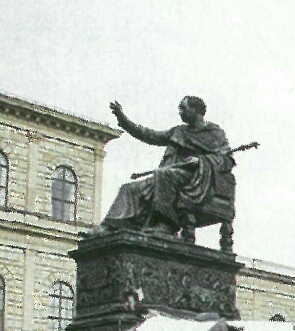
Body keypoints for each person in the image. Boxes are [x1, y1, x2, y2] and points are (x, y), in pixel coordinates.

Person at [93, 96, 234, 239]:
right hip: (170, 176)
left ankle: (166, 224)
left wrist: (200, 161)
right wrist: (123, 120)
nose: (180, 112)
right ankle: (109, 226)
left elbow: (226, 159)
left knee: (164, 174)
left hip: (196, 178)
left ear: (196, 110)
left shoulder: (214, 133)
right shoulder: (179, 131)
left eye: (183, 108)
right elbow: (149, 135)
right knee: (129, 188)